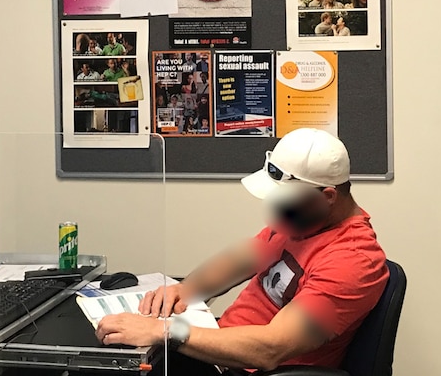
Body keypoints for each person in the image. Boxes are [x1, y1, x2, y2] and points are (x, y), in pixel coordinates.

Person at [95, 128, 388, 374]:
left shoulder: (353, 260)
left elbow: (272, 348)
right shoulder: (302, 222)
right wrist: (187, 289)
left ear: (327, 197)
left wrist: (167, 332)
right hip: (219, 352)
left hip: (249, 368)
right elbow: (238, 260)